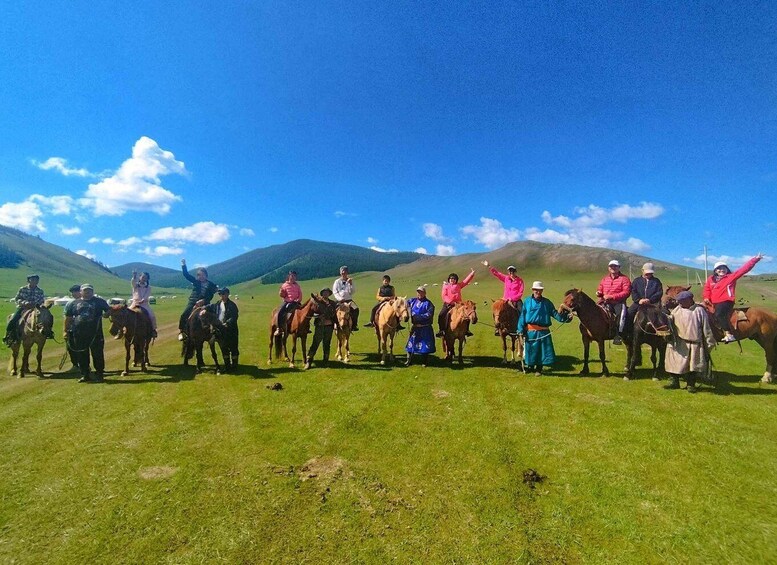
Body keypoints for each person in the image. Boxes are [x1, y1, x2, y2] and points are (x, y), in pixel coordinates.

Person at [703, 253, 763, 343]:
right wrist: (706, 297)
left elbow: (743, 269)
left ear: (727, 269)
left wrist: (755, 259)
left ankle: (729, 334)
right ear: (715, 270)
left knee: (719, 314)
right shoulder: (710, 279)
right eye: (719, 268)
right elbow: (707, 289)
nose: (721, 270)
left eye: (723, 268)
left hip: (726, 301)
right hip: (713, 302)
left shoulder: (731, 277)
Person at [664, 290, 716, 393]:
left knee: (692, 366)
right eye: (679, 301)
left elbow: (706, 328)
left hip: (694, 343)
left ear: (689, 300)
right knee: (674, 363)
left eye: (682, 300)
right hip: (678, 342)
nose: (680, 303)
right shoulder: (676, 310)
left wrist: (709, 343)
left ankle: (690, 385)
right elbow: (670, 322)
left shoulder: (699, 311)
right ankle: (674, 382)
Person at [516, 281, 572, 376]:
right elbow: (523, 316)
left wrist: (566, 318)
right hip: (530, 331)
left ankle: (539, 369)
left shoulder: (547, 303)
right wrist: (520, 329)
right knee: (531, 349)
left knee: (542, 351)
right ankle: (530, 366)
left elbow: (555, 314)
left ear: (542, 291)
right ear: (533, 290)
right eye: (536, 290)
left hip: (543, 331)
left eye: (540, 290)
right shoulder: (527, 301)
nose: (538, 292)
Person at [64, 284, 111, 383]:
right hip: (79, 333)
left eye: (89, 290)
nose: (87, 292)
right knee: (81, 355)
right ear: (81, 292)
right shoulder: (74, 303)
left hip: (95, 333)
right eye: (85, 290)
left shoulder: (99, 301)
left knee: (97, 354)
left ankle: (99, 374)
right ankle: (85, 374)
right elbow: (68, 318)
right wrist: (65, 331)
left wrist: (106, 314)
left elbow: (108, 311)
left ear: (92, 291)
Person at [3, 274, 53, 346]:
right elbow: (17, 298)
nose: (35, 281)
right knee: (13, 319)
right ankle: (9, 336)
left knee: (49, 317)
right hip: (23, 307)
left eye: (36, 280)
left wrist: (36, 304)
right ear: (28, 280)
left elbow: (42, 299)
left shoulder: (40, 291)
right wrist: (25, 303)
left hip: (36, 308)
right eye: (32, 279)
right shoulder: (22, 289)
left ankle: (48, 332)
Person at [178, 258, 218, 341]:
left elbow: (211, 294)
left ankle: (216, 330)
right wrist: (183, 265)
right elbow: (186, 275)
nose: (201, 276)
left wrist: (204, 300)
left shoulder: (211, 284)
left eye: (202, 275)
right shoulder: (196, 282)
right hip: (193, 301)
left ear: (206, 275)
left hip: (205, 303)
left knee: (214, 314)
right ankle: (182, 332)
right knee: (184, 314)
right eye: (199, 275)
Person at [483, 260, 524, 335]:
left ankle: (523, 328)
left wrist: (512, 299)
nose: (511, 273)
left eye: (512, 271)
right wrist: (489, 266)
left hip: (516, 300)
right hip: (505, 299)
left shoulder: (520, 281)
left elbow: (520, 293)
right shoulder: (506, 278)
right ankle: (497, 328)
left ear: (515, 272)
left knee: (522, 311)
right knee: (496, 311)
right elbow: (497, 274)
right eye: (509, 271)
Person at [203, 287, 240, 373]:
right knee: (224, 348)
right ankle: (227, 367)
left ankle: (234, 367)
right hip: (221, 330)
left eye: (223, 294)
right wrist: (204, 309)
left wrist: (227, 323)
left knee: (233, 348)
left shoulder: (232, 305)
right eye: (220, 294)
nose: (221, 296)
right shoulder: (218, 304)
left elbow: (234, 317)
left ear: (227, 294)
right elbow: (210, 306)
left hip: (231, 330)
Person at [596, 259, 631, 345]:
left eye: (615, 266)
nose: (613, 268)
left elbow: (626, 292)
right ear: (608, 268)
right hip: (604, 302)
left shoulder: (624, 279)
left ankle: (618, 335)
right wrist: (599, 292)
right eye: (611, 266)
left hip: (618, 303)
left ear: (619, 267)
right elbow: (600, 288)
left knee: (621, 315)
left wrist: (612, 296)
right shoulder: (605, 279)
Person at [625, 262, 663, 336]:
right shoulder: (636, 281)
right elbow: (633, 291)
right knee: (629, 313)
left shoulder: (656, 281)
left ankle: (664, 334)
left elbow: (659, 292)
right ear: (642, 270)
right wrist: (638, 300)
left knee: (663, 314)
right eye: (647, 273)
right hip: (638, 303)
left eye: (650, 273)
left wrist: (650, 300)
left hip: (653, 304)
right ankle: (629, 332)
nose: (648, 275)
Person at [305, 288, 338, 369]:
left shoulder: (333, 303)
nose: (326, 294)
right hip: (320, 326)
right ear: (322, 294)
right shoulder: (318, 302)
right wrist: (318, 316)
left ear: (329, 294)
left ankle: (326, 361)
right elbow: (313, 312)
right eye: (324, 293)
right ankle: (309, 361)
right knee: (315, 343)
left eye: (327, 293)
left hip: (329, 326)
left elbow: (335, 315)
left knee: (327, 344)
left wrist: (336, 324)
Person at [437, 269, 475, 338]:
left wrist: (471, 274)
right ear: (449, 279)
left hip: (459, 305)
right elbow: (444, 295)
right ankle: (441, 330)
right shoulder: (445, 286)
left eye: (454, 278)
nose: (452, 279)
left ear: (456, 280)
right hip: (448, 304)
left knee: (467, 315)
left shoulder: (459, 285)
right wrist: (451, 302)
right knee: (441, 315)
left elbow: (465, 281)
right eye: (451, 278)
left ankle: (467, 330)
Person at [405, 286, 436, 366]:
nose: (419, 294)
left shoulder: (428, 303)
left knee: (425, 345)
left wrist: (417, 317)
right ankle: (409, 360)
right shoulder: (412, 301)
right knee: (411, 344)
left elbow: (429, 314)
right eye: (418, 292)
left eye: (421, 292)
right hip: (415, 327)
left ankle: (424, 361)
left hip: (425, 327)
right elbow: (404, 303)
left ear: (424, 293)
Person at [129, 270, 157, 339]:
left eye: (146, 278)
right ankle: (122, 330)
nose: (144, 278)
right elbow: (132, 282)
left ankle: (153, 330)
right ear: (140, 277)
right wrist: (134, 276)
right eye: (143, 277)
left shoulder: (149, 287)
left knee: (152, 316)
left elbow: (148, 295)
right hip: (135, 303)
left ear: (147, 279)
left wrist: (143, 300)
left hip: (144, 304)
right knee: (126, 314)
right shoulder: (135, 285)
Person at [333, 266, 359, 331]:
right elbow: (335, 291)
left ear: (347, 272)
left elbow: (352, 292)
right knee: (332, 310)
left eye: (345, 271)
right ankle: (334, 324)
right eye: (342, 271)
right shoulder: (337, 281)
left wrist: (351, 284)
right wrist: (340, 298)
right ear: (340, 273)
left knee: (356, 309)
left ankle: (354, 325)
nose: (343, 273)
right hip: (339, 301)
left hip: (348, 300)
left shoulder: (350, 280)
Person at [276, 271, 302, 336]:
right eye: (292, 276)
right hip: (287, 302)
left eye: (294, 276)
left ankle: (305, 328)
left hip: (296, 302)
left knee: (305, 312)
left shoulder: (297, 285)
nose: (293, 277)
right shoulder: (284, 285)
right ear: (289, 276)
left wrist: (298, 300)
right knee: (280, 312)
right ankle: (279, 328)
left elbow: (300, 294)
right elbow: (282, 294)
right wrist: (281, 293)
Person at [63, 284, 82, 373]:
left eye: (76, 292)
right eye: (72, 292)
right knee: (71, 347)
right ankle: (75, 365)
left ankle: (84, 365)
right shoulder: (69, 303)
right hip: (71, 328)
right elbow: (65, 317)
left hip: (83, 328)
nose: (74, 294)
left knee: (82, 348)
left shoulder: (86, 301)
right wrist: (65, 330)